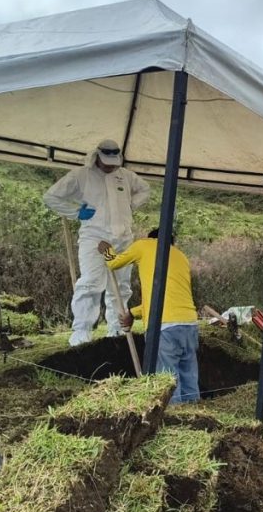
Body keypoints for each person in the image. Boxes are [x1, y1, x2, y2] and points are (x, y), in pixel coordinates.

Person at [44, 139, 150, 346]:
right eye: (106, 161)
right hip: (94, 237)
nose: (110, 165)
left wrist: (130, 204)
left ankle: (117, 331)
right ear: (97, 157)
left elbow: (145, 190)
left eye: (114, 161)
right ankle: (81, 333)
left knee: (120, 286)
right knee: (91, 282)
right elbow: (51, 197)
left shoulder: (126, 176)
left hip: (123, 238)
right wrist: (76, 212)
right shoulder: (81, 175)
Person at [100, 229, 200, 404]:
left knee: (168, 379)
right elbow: (163, 298)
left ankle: (175, 418)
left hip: (164, 326)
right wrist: (132, 313)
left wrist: (107, 251)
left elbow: (113, 264)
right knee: (189, 375)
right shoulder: (181, 256)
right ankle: (196, 415)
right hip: (189, 323)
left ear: (151, 239)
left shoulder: (144, 245)